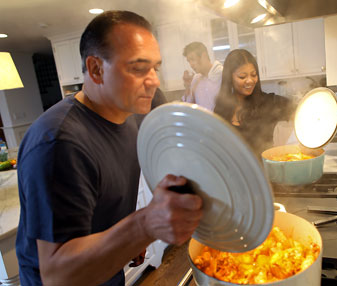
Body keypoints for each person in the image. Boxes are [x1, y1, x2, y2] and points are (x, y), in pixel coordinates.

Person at [16, 11, 203, 286]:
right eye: (139, 69)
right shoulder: (59, 143)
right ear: (95, 69)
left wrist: (125, 240)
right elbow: (57, 276)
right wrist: (143, 226)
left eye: (155, 68)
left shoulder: (132, 117)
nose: (154, 81)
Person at [214, 49, 294, 155]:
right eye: (242, 76)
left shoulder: (269, 102)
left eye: (253, 75)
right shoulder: (220, 109)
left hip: (264, 170)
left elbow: (298, 110)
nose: (250, 80)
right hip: (233, 170)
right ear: (229, 78)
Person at [181, 42, 223, 111]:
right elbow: (188, 106)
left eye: (192, 59)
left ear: (204, 56)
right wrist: (187, 87)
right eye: (189, 61)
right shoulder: (196, 79)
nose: (191, 65)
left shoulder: (222, 74)